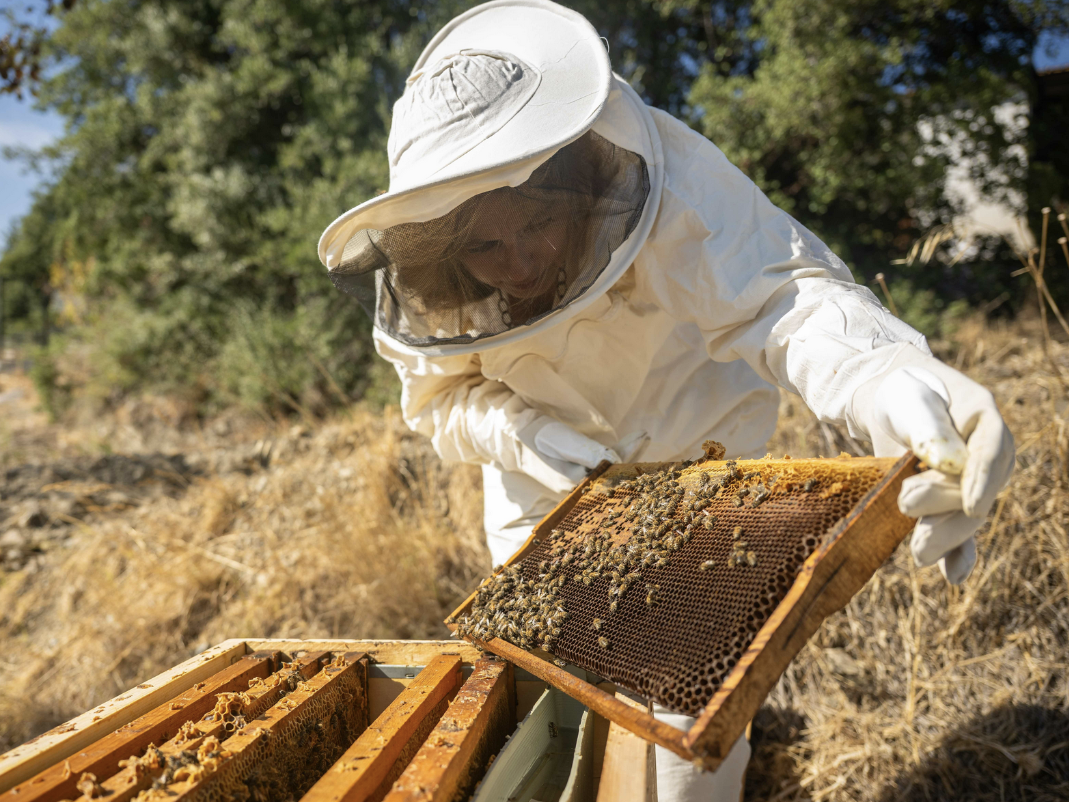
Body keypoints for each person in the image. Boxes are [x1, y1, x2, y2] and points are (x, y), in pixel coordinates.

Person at [317, 1, 1015, 799]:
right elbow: (440, 401)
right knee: (551, 722)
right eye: (484, 244)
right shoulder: (428, 280)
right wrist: (524, 433)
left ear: (578, 185)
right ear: (443, 241)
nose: (518, 261)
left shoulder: (672, 180)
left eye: (537, 223)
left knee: (687, 739)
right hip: (543, 505)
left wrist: (885, 376)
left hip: (705, 473)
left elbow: (786, 300)